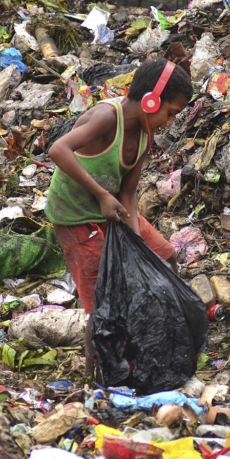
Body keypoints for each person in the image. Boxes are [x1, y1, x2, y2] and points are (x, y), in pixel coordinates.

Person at [44, 58, 193, 376]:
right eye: (170, 113)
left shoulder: (144, 134)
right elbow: (58, 149)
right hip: (76, 217)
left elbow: (128, 193)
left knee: (164, 257)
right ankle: (94, 373)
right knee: (102, 301)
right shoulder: (107, 117)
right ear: (151, 100)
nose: (170, 122)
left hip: (112, 209)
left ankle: (152, 342)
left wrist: (136, 244)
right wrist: (100, 194)